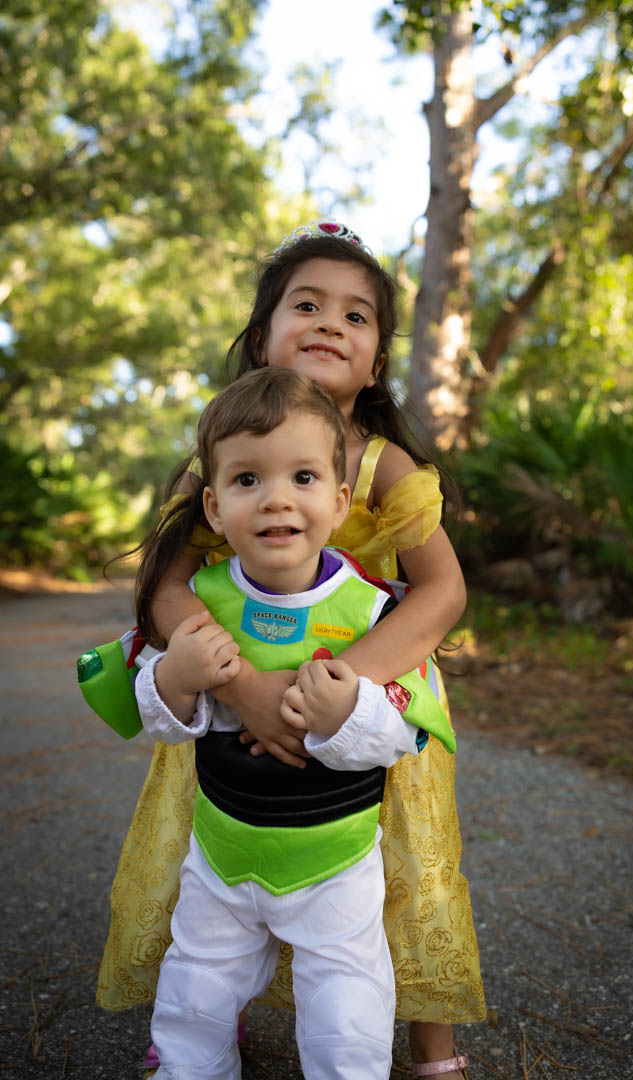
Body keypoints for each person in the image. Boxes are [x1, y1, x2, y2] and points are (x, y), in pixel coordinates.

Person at [98, 220, 485, 1080]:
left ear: (377, 360)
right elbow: (166, 582)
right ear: (262, 334)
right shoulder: (227, 450)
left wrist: (341, 689)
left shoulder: (381, 462)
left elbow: (444, 591)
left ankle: (430, 1047)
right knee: (219, 867)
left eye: (357, 316)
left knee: (404, 872)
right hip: (233, 693)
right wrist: (240, 688)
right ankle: (209, 1013)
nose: (329, 323)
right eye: (305, 304)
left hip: (361, 687)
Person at [133, 367, 455, 1079]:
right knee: (196, 990)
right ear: (213, 508)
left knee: (347, 1011)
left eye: (303, 478)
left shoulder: (374, 612)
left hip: (332, 864)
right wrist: (173, 681)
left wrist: (353, 715)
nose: (277, 497)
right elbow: (154, 715)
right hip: (221, 856)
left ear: (341, 501)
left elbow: (415, 726)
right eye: (249, 481)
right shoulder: (201, 602)